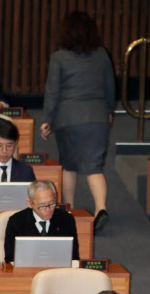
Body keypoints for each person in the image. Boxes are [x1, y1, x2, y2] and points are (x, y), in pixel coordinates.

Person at [40, 12, 115, 233]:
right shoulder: (102, 54)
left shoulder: (59, 57)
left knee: (69, 165)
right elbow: (110, 87)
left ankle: (70, 209)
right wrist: (108, 111)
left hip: (68, 118)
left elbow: (52, 91)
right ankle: (101, 208)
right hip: (97, 117)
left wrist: (47, 119)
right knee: (94, 167)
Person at [3, 181, 79, 263]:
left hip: (57, 271)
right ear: (30, 203)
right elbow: (10, 259)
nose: (48, 210)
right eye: (42, 206)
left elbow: (73, 256)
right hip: (26, 271)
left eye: (52, 203)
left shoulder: (66, 219)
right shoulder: (16, 221)